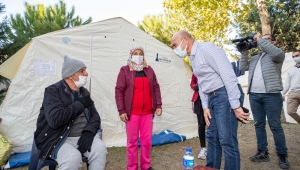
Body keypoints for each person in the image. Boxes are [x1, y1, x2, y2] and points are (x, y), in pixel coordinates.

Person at [171, 30, 249, 170]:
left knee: (227, 140)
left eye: (174, 45)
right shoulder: (193, 57)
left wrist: (236, 106)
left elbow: (228, 76)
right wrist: (205, 107)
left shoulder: (207, 49)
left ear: (185, 39)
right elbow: (202, 83)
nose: (174, 49)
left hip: (224, 95)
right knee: (212, 138)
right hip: (212, 98)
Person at [34, 56, 107, 170]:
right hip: (58, 138)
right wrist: (79, 104)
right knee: (72, 158)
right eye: (82, 71)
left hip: (83, 136)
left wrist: (88, 132)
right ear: (70, 75)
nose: (86, 74)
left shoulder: (84, 92)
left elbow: (95, 116)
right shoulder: (53, 91)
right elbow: (55, 120)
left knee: (100, 149)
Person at [239, 33, 290, 169]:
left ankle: (282, 155)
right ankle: (262, 152)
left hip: (271, 95)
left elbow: (274, 52)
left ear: (273, 42)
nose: (260, 41)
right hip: (254, 96)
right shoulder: (255, 58)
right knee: (259, 125)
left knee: (275, 125)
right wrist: (244, 52)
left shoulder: (278, 54)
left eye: (265, 39)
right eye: (261, 39)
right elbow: (242, 67)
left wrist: (258, 37)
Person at [115, 46, 162, 170]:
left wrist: (158, 105)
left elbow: (156, 87)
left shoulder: (149, 70)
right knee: (132, 143)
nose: (138, 55)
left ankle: (146, 166)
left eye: (141, 53)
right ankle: (132, 167)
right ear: (131, 55)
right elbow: (119, 90)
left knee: (147, 142)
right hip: (132, 113)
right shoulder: (125, 70)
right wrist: (121, 110)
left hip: (147, 113)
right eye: (135, 53)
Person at [190, 73, 207, 159]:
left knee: (213, 125)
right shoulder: (195, 71)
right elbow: (192, 83)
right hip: (199, 100)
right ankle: (203, 148)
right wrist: (195, 86)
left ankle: (214, 149)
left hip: (210, 99)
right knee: (201, 125)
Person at [282, 50, 300, 124]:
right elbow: (287, 83)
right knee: (290, 111)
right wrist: (282, 93)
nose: (295, 58)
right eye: (293, 57)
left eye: (297, 56)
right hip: (293, 93)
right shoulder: (291, 69)